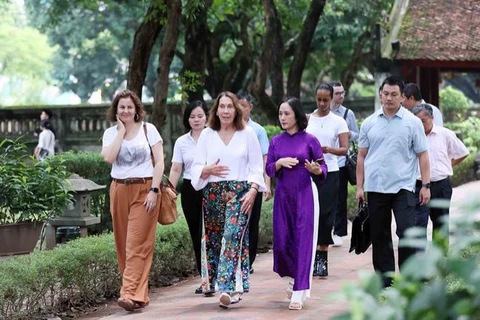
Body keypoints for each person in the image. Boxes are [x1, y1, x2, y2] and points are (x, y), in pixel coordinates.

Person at [191, 91, 266, 309]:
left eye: (229, 107)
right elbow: (196, 166)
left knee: (232, 236)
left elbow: (256, 167)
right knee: (217, 241)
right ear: (216, 110)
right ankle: (234, 288)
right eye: (221, 107)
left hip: (240, 193)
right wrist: (206, 169)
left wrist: (253, 190)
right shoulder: (207, 135)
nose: (225, 111)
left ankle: (224, 286)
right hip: (213, 194)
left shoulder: (248, 133)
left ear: (237, 110)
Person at [356, 76, 431, 287]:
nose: (389, 98)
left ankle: (407, 280)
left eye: (394, 94)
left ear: (402, 97)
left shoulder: (413, 122)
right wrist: (360, 187)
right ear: (380, 94)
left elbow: (423, 155)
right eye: (386, 94)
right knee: (380, 236)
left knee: (406, 232)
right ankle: (385, 283)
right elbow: (361, 156)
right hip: (376, 188)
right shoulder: (369, 123)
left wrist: (425, 185)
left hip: (403, 188)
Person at [101, 89, 165, 311]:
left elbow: (159, 163)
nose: (126, 111)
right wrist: (120, 132)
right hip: (118, 190)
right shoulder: (110, 133)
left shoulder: (149, 130)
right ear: (116, 110)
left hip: (144, 190)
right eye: (122, 107)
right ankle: (139, 295)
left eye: (130, 107)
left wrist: (154, 190)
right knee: (123, 245)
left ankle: (127, 293)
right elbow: (109, 158)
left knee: (136, 244)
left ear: (137, 109)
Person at [266, 97, 327, 310]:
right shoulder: (275, 141)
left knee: (303, 239)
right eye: (281, 114)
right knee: (283, 242)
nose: (283, 117)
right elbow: (269, 169)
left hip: (305, 195)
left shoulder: (310, 140)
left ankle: (299, 292)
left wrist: (316, 170)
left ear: (297, 116)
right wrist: (280, 163)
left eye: (287, 114)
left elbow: (323, 168)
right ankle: (293, 278)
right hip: (283, 197)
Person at [306, 83, 349, 277]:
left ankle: (322, 255)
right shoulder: (308, 120)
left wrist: (328, 149)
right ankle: (310, 256)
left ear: (332, 99)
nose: (322, 103)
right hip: (309, 171)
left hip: (330, 171)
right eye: (319, 99)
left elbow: (344, 149)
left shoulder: (338, 121)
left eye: (326, 100)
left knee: (325, 214)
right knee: (310, 213)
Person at [412, 103, 469, 247]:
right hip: (419, 186)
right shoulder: (412, 137)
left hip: (441, 185)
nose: (420, 125)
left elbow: (463, 152)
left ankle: (441, 260)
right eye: (416, 121)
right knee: (419, 223)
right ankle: (421, 260)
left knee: (441, 224)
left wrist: (449, 164)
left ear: (432, 117)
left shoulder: (445, 134)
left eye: (423, 121)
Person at [168, 100, 208, 294]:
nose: (196, 120)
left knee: (213, 232)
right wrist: (170, 190)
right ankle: (205, 279)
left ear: (207, 117)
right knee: (196, 234)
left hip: (212, 189)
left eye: (200, 116)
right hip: (190, 189)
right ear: (187, 119)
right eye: (192, 116)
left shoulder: (214, 137)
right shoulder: (182, 142)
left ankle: (219, 275)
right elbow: (176, 168)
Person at [236, 89, 272, 273]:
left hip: (254, 185)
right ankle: (236, 260)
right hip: (235, 185)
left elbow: (265, 159)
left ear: (250, 107)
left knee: (252, 223)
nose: (241, 109)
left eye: (244, 106)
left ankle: (247, 262)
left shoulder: (257, 130)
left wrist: (267, 184)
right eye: (238, 105)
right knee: (235, 224)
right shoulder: (229, 129)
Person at [329, 81, 359, 246]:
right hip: (324, 162)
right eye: (337, 93)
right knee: (326, 197)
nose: (341, 96)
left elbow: (357, 135)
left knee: (340, 198)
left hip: (341, 162)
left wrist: (346, 133)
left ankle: (339, 231)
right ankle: (326, 228)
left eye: (342, 92)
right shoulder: (321, 113)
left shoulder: (348, 113)